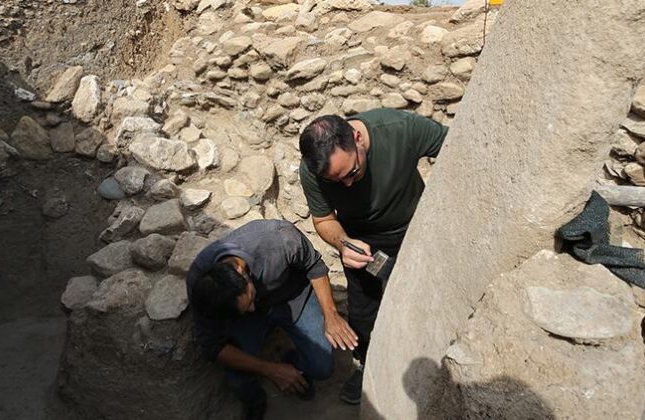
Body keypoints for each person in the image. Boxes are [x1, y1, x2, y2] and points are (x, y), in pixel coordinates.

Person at [298, 108, 449, 404]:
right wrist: (343, 244)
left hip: (416, 231)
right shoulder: (313, 171)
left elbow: (460, 149)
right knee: (364, 309)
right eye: (337, 181)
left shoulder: (400, 128)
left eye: (352, 172)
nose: (349, 185)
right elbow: (324, 219)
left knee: (425, 296)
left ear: (357, 138)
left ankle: (432, 359)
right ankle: (367, 364)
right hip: (363, 245)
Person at [186, 219, 358, 420]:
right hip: (247, 323)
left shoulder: (278, 239)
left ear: (242, 272)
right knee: (236, 376)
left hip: (292, 297)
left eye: (249, 299)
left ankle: (292, 362)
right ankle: (255, 402)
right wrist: (271, 370)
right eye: (244, 308)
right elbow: (212, 346)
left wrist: (331, 315)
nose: (252, 308)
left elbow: (314, 266)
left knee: (321, 367)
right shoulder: (201, 284)